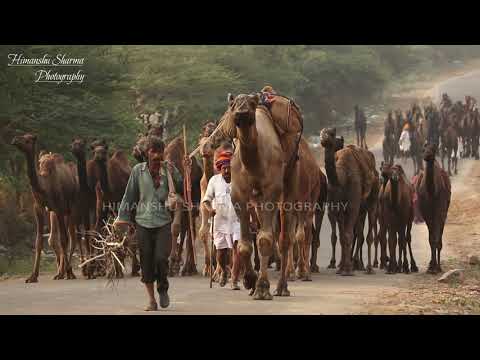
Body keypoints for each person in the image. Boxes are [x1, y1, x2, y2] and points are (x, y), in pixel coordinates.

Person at [113, 135, 183, 311]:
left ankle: (163, 287)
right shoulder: (138, 170)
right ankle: (151, 300)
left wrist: (184, 170)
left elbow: (181, 186)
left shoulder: (168, 170)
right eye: (153, 151)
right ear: (147, 153)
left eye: (160, 151)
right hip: (142, 222)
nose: (157, 155)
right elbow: (129, 195)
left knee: (161, 258)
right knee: (146, 262)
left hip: (163, 222)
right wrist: (123, 218)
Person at [202, 150, 241, 289]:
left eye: (229, 167)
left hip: (236, 220)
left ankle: (234, 280)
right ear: (220, 168)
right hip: (219, 221)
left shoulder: (239, 179)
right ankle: (224, 270)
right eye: (223, 168)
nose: (226, 170)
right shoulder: (214, 180)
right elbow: (206, 200)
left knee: (237, 249)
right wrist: (210, 210)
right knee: (221, 252)